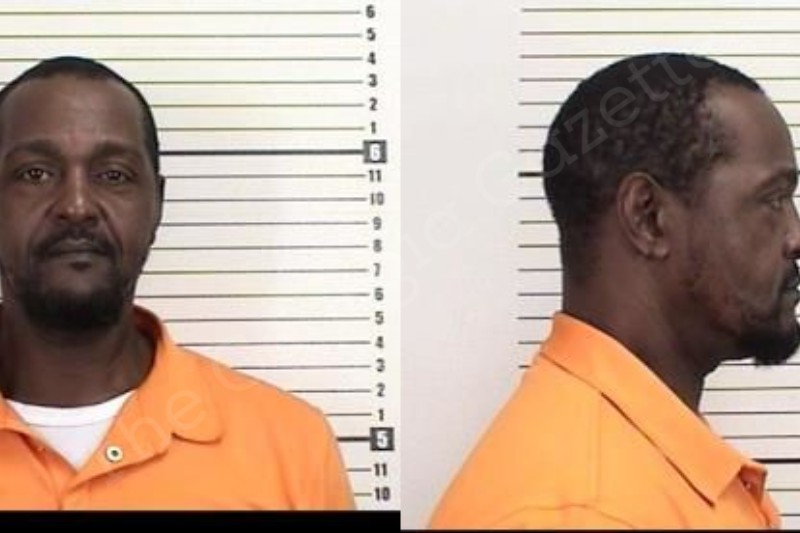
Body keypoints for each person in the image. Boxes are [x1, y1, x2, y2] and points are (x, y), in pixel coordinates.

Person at [429, 52, 800, 529]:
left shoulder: (636, 463)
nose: (794, 236)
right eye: (772, 199)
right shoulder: (582, 513)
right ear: (648, 217)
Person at [0, 56, 354, 510]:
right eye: (35, 174)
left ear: (158, 204)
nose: (77, 206)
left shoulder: (293, 445)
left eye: (113, 175)